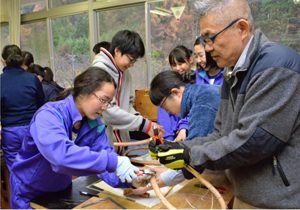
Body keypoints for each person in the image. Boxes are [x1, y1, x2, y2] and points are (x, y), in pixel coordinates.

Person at [149, 0, 300, 208]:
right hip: (246, 194)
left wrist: (190, 155)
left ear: (242, 28)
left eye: (211, 38)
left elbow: (253, 142)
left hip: (276, 202)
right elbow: (220, 135)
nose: (207, 48)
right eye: (204, 40)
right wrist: (178, 147)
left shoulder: (275, 67)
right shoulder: (232, 73)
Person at [9, 67, 139, 209]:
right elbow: (61, 157)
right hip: (30, 192)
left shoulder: (94, 124)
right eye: (103, 100)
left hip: (60, 190)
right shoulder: (49, 115)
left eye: (108, 103)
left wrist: (130, 180)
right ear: (84, 91)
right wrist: (113, 161)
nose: (104, 107)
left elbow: (105, 163)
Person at [92, 30, 160, 154]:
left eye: (135, 61)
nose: (132, 65)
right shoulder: (99, 71)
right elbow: (107, 111)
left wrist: (141, 120)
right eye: (131, 59)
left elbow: (127, 105)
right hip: (103, 145)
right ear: (117, 51)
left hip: (121, 144)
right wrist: (144, 125)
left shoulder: (125, 73)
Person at [0, 45, 44, 172]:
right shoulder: (32, 79)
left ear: (3, 60)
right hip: (32, 129)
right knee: (35, 168)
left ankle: (18, 192)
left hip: (11, 132)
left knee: (15, 171)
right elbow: (41, 105)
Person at [157, 45, 195, 142]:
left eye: (181, 63)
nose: (178, 68)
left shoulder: (197, 81)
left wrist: (184, 126)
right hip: (174, 131)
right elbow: (164, 117)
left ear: (190, 60)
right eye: (174, 65)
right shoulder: (171, 84)